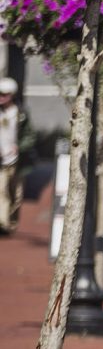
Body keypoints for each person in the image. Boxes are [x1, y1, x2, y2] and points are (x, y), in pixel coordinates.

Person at [0, 77, 34, 236]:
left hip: (17, 162)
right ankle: (3, 223)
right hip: (1, 161)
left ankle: (11, 222)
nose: (1, 97)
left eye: (4, 94)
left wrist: (18, 147)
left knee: (16, 195)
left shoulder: (20, 113)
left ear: (12, 95)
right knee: (1, 190)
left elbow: (29, 135)